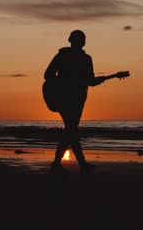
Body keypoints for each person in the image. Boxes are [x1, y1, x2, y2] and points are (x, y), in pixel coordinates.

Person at [44, 30, 105, 176]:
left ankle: (62, 165)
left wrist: (101, 79)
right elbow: (48, 75)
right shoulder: (78, 58)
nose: (82, 42)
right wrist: (64, 84)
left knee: (71, 131)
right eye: (81, 39)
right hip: (71, 99)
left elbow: (89, 81)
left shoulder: (67, 56)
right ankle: (77, 164)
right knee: (71, 130)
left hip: (74, 99)